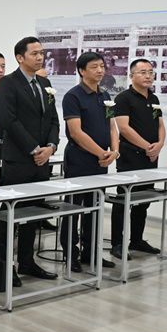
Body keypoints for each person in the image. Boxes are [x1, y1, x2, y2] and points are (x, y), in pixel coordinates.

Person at [0, 36, 59, 282]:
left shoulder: (45, 82)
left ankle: (26, 262)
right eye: (34, 53)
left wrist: (50, 147)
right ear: (20, 57)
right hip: (19, 160)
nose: (40, 57)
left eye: (41, 53)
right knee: (11, 215)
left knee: (33, 214)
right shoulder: (8, 83)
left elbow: (53, 119)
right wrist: (34, 149)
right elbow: (9, 121)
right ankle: (5, 265)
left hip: (42, 160)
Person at [61, 52, 118, 272]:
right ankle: (70, 255)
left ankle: (90, 252)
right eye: (94, 67)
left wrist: (114, 151)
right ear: (82, 71)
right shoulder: (73, 96)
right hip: (79, 158)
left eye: (102, 66)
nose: (100, 70)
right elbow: (76, 132)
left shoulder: (105, 94)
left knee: (95, 207)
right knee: (73, 208)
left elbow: (112, 126)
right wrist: (101, 153)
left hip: (100, 160)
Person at [110, 59, 165, 260]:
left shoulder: (154, 97)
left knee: (144, 200)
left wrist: (159, 145)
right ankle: (117, 243)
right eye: (143, 72)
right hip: (131, 157)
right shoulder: (123, 98)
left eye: (150, 72)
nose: (148, 76)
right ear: (131, 76)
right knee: (123, 201)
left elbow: (160, 125)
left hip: (150, 158)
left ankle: (137, 240)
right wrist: (148, 147)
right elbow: (124, 128)